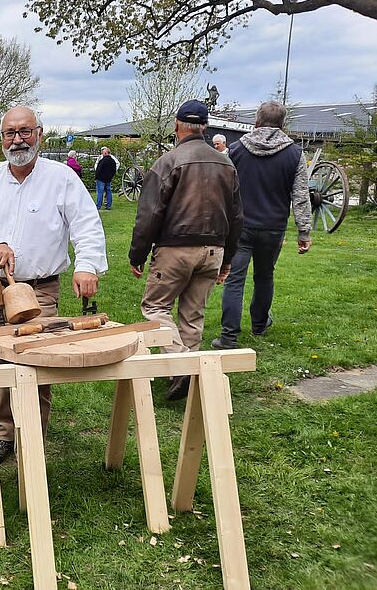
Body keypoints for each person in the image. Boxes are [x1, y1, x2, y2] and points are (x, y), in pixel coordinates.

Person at [0, 106, 107, 462]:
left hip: (39, 290)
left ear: (40, 133)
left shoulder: (62, 179)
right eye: (10, 133)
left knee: (34, 363)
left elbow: (87, 225)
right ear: (2, 138)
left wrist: (86, 267)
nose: (17, 139)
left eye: (25, 131)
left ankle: (33, 435)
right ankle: (1, 434)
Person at [129, 100, 243, 400]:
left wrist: (137, 254)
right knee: (193, 316)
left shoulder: (168, 161)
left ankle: (184, 367)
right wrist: (228, 259)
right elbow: (236, 216)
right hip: (213, 250)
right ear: (204, 127)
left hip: (176, 248)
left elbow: (149, 213)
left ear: (177, 125)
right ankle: (187, 377)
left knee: (154, 308)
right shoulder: (227, 164)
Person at [212, 101, 312, 349]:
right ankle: (259, 324)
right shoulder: (294, 154)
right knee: (265, 276)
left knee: (235, 279)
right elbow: (300, 195)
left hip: (240, 227)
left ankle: (228, 336)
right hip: (273, 227)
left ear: (256, 122)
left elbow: (220, 188)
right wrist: (303, 231)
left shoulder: (235, 150)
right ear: (283, 124)